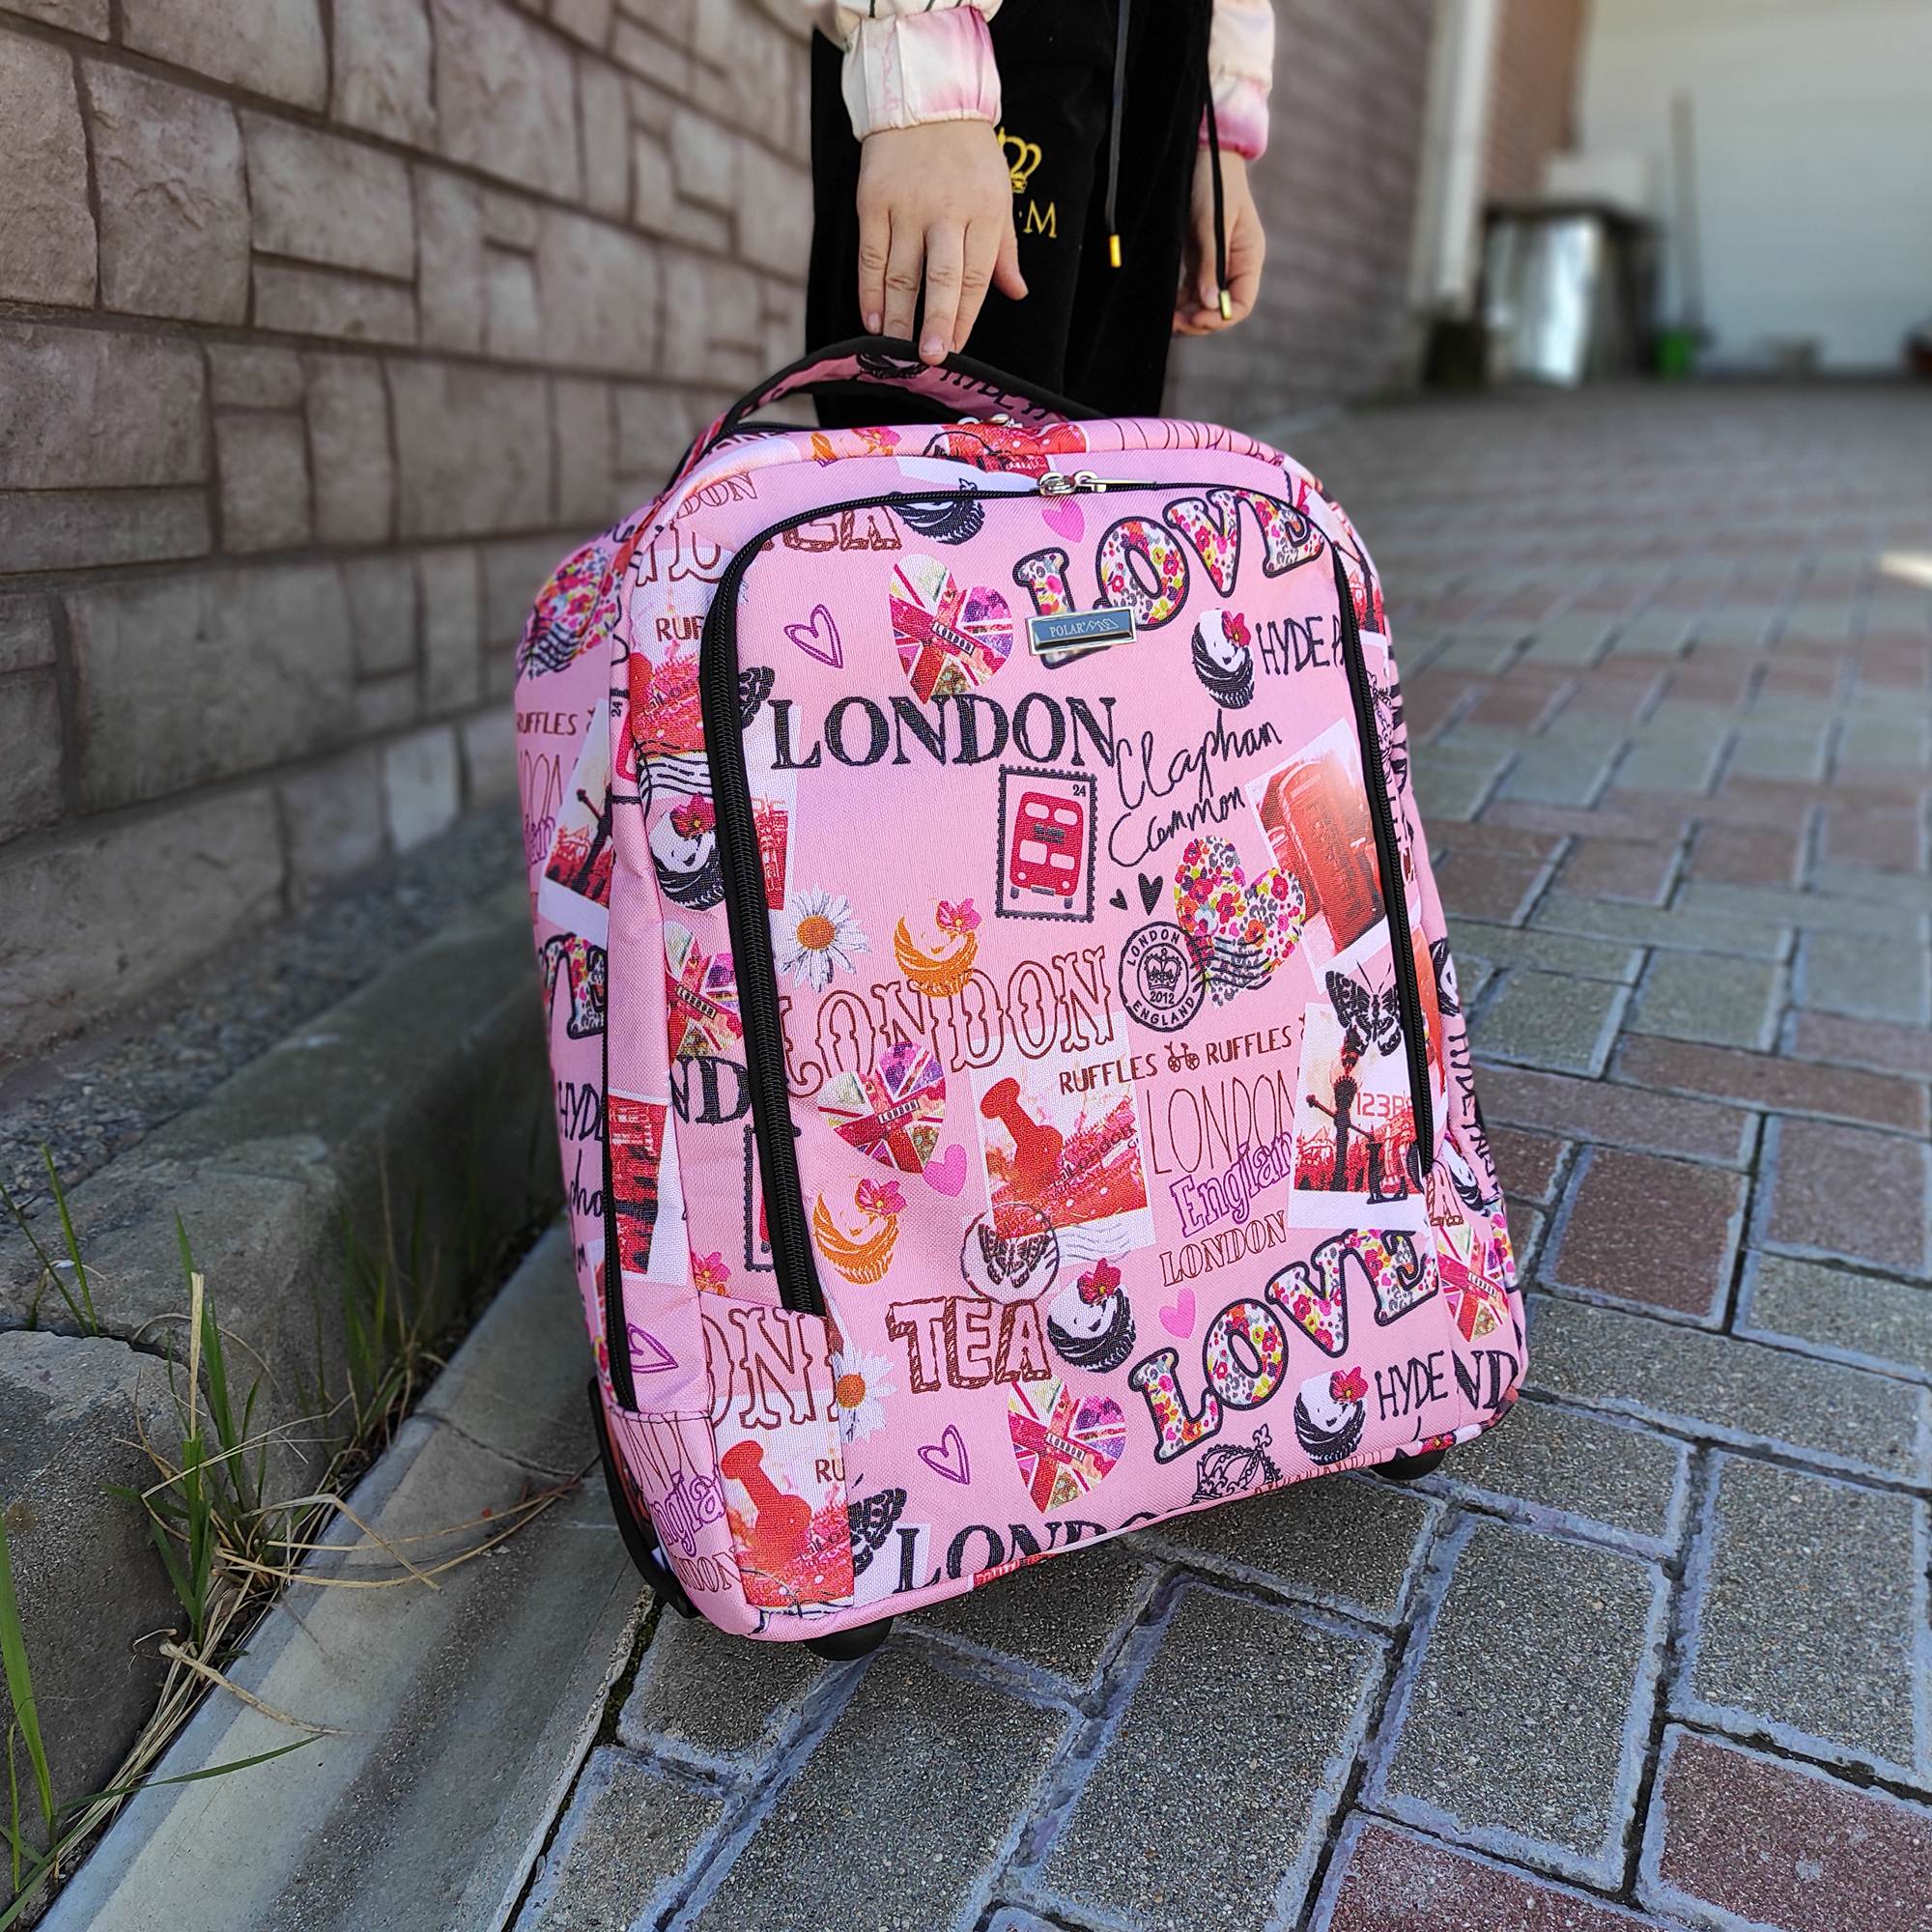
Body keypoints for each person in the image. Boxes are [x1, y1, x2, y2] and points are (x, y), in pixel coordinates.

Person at [798, 0, 1275, 419]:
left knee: (1098, 453)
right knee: (920, 452)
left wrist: (1219, 110)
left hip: (1163, 48)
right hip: (975, 34)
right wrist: (919, 65)